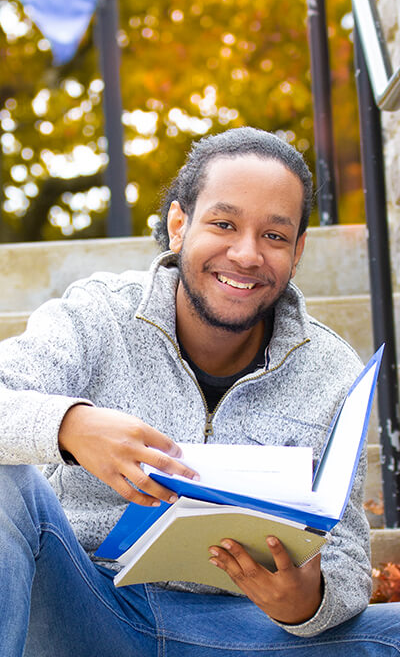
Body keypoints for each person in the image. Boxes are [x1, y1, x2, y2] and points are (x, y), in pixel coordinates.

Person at [0, 126, 399, 657]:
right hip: (86, 610)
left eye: (275, 236)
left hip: (248, 634)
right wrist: (70, 426)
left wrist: (309, 601)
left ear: (298, 251)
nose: (247, 253)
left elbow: (347, 552)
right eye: (224, 223)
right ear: (178, 224)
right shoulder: (98, 315)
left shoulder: (330, 370)